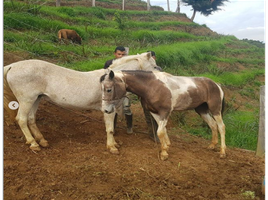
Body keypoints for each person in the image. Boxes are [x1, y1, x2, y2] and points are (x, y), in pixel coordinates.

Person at [104, 46, 133, 134]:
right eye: (119, 54)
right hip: (112, 89)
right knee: (113, 108)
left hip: (125, 89)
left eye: (123, 54)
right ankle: (113, 127)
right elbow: (105, 75)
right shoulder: (109, 63)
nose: (121, 56)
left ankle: (130, 126)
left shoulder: (129, 64)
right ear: (115, 54)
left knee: (126, 107)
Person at [143, 51, 160, 142]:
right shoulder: (142, 71)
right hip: (145, 96)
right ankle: (152, 133)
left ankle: (158, 132)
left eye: (151, 58)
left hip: (157, 95)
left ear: (154, 58)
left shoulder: (158, 69)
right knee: (148, 115)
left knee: (157, 114)